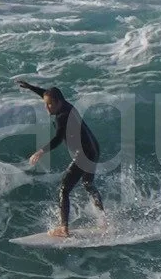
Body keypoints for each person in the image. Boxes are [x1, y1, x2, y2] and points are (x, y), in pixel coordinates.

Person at [18, 79, 105, 238]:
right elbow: (46, 94)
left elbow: (58, 139)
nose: (46, 107)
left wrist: (40, 151)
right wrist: (31, 87)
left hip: (83, 154)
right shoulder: (65, 105)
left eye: (49, 104)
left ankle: (63, 228)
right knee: (88, 184)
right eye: (46, 103)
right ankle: (103, 221)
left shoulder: (62, 117)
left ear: (58, 102)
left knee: (64, 189)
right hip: (94, 149)